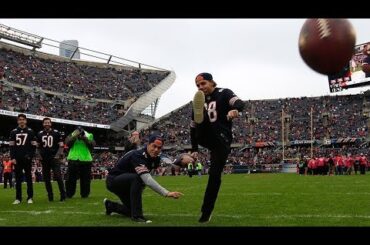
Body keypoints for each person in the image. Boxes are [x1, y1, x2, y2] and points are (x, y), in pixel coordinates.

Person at [190, 72, 244, 223]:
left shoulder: (224, 93)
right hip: (205, 135)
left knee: (214, 176)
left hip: (222, 139)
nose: (201, 87)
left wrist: (236, 110)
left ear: (212, 82)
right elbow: (192, 129)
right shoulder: (198, 100)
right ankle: (203, 116)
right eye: (198, 85)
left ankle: (206, 212)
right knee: (199, 123)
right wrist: (194, 149)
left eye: (203, 84)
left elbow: (240, 103)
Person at [104, 135, 188, 223]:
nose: (156, 150)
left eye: (159, 148)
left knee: (131, 210)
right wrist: (166, 193)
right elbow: (146, 179)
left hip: (126, 183)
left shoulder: (155, 158)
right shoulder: (138, 155)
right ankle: (137, 217)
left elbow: (149, 174)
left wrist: (182, 161)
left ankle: (110, 206)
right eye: (154, 146)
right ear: (148, 144)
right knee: (138, 178)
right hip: (113, 180)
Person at [9, 114, 37, 204]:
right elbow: (11, 146)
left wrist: (30, 156)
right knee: (18, 179)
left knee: (29, 178)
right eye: (20, 119)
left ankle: (30, 197)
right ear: (18, 121)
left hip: (27, 159)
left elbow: (33, 146)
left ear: (26, 121)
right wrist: (12, 157)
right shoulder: (13, 132)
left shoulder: (31, 131)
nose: (21, 121)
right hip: (17, 159)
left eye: (23, 119)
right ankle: (18, 198)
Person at [36, 118, 66, 202]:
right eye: (45, 122)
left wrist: (58, 156)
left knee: (58, 176)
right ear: (43, 124)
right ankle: (50, 196)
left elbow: (61, 145)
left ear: (51, 124)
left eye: (48, 122)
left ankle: (63, 195)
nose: (47, 124)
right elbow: (37, 147)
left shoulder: (56, 132)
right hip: (44, 159)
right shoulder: (39, 133)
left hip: (54, 158)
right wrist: (39, 156)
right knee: (46, 178)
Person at [65, 126, 95, 198]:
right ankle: (69, 194)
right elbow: (67, 143)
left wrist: (84, 138)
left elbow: (92, 146)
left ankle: (85, 194)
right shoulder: (72, 134)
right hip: (73, 159)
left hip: (86, 160)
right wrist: (75, 136)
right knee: (70, 179)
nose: (79, 132)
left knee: (85, 179)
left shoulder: (89, 135)